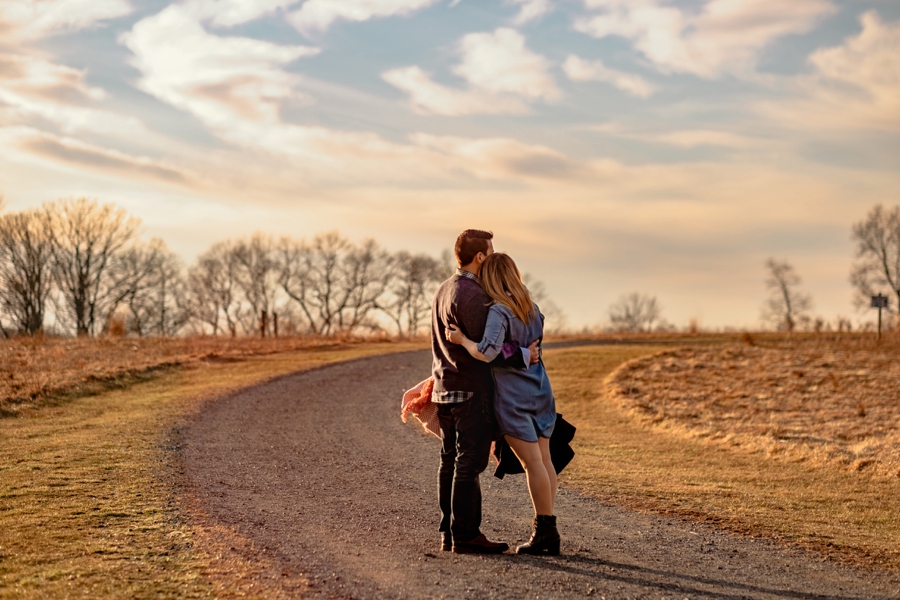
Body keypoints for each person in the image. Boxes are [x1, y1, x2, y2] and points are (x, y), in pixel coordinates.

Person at [431, 229, 539, 555]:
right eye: (490, 252)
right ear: (480, 256)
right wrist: (525, 354)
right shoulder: (474, 295)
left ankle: (449, 533)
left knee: (450, 461)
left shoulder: (443, 289)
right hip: (470, 389)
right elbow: (488, 349)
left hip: (444, 388)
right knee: (470, 461)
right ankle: (465, 535)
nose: (492, 257)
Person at [446, 252, 560, 556]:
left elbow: (486, 352)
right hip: (541, 390)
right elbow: (532, 349)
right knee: (544, 460)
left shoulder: (499, 311)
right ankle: (548, 529)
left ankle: (545, 532)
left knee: (532, 463)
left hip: (514, 397)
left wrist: (462, 341)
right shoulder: (532, 308)